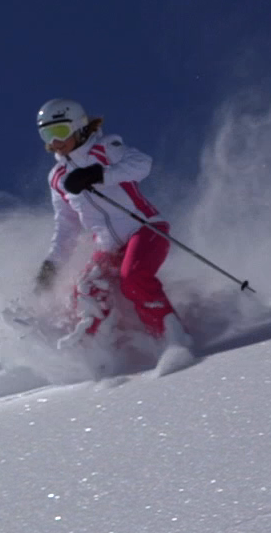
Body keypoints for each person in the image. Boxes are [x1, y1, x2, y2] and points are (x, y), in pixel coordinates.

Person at [34, 98, 189, 350]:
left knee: (134, 277)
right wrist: (52, 264)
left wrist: (99, 175)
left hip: (145, 228)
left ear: (77, 126)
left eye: (59, 131)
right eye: (46, 134)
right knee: (85, 293)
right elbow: (66, 226)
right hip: (107, 246)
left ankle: (174, 341)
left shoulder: (105, 148)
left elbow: (142, 164)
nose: (54, 142)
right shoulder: (57, 179)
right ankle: (102, 356)